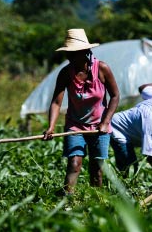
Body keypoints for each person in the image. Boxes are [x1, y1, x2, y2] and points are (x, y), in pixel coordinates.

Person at [42, 28, 120, 195]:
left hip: (99, 127)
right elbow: (56, 102)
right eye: (68, 53)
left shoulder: (102, 69)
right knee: (74, 164)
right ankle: (67, 201)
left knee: (96, 169)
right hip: (75, 125)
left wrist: (105, 122)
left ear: (85, 51)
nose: (69, 57)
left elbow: (115, 96)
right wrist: (51, 127)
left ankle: (94, 204)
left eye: (73, 53)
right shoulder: (65, 73)